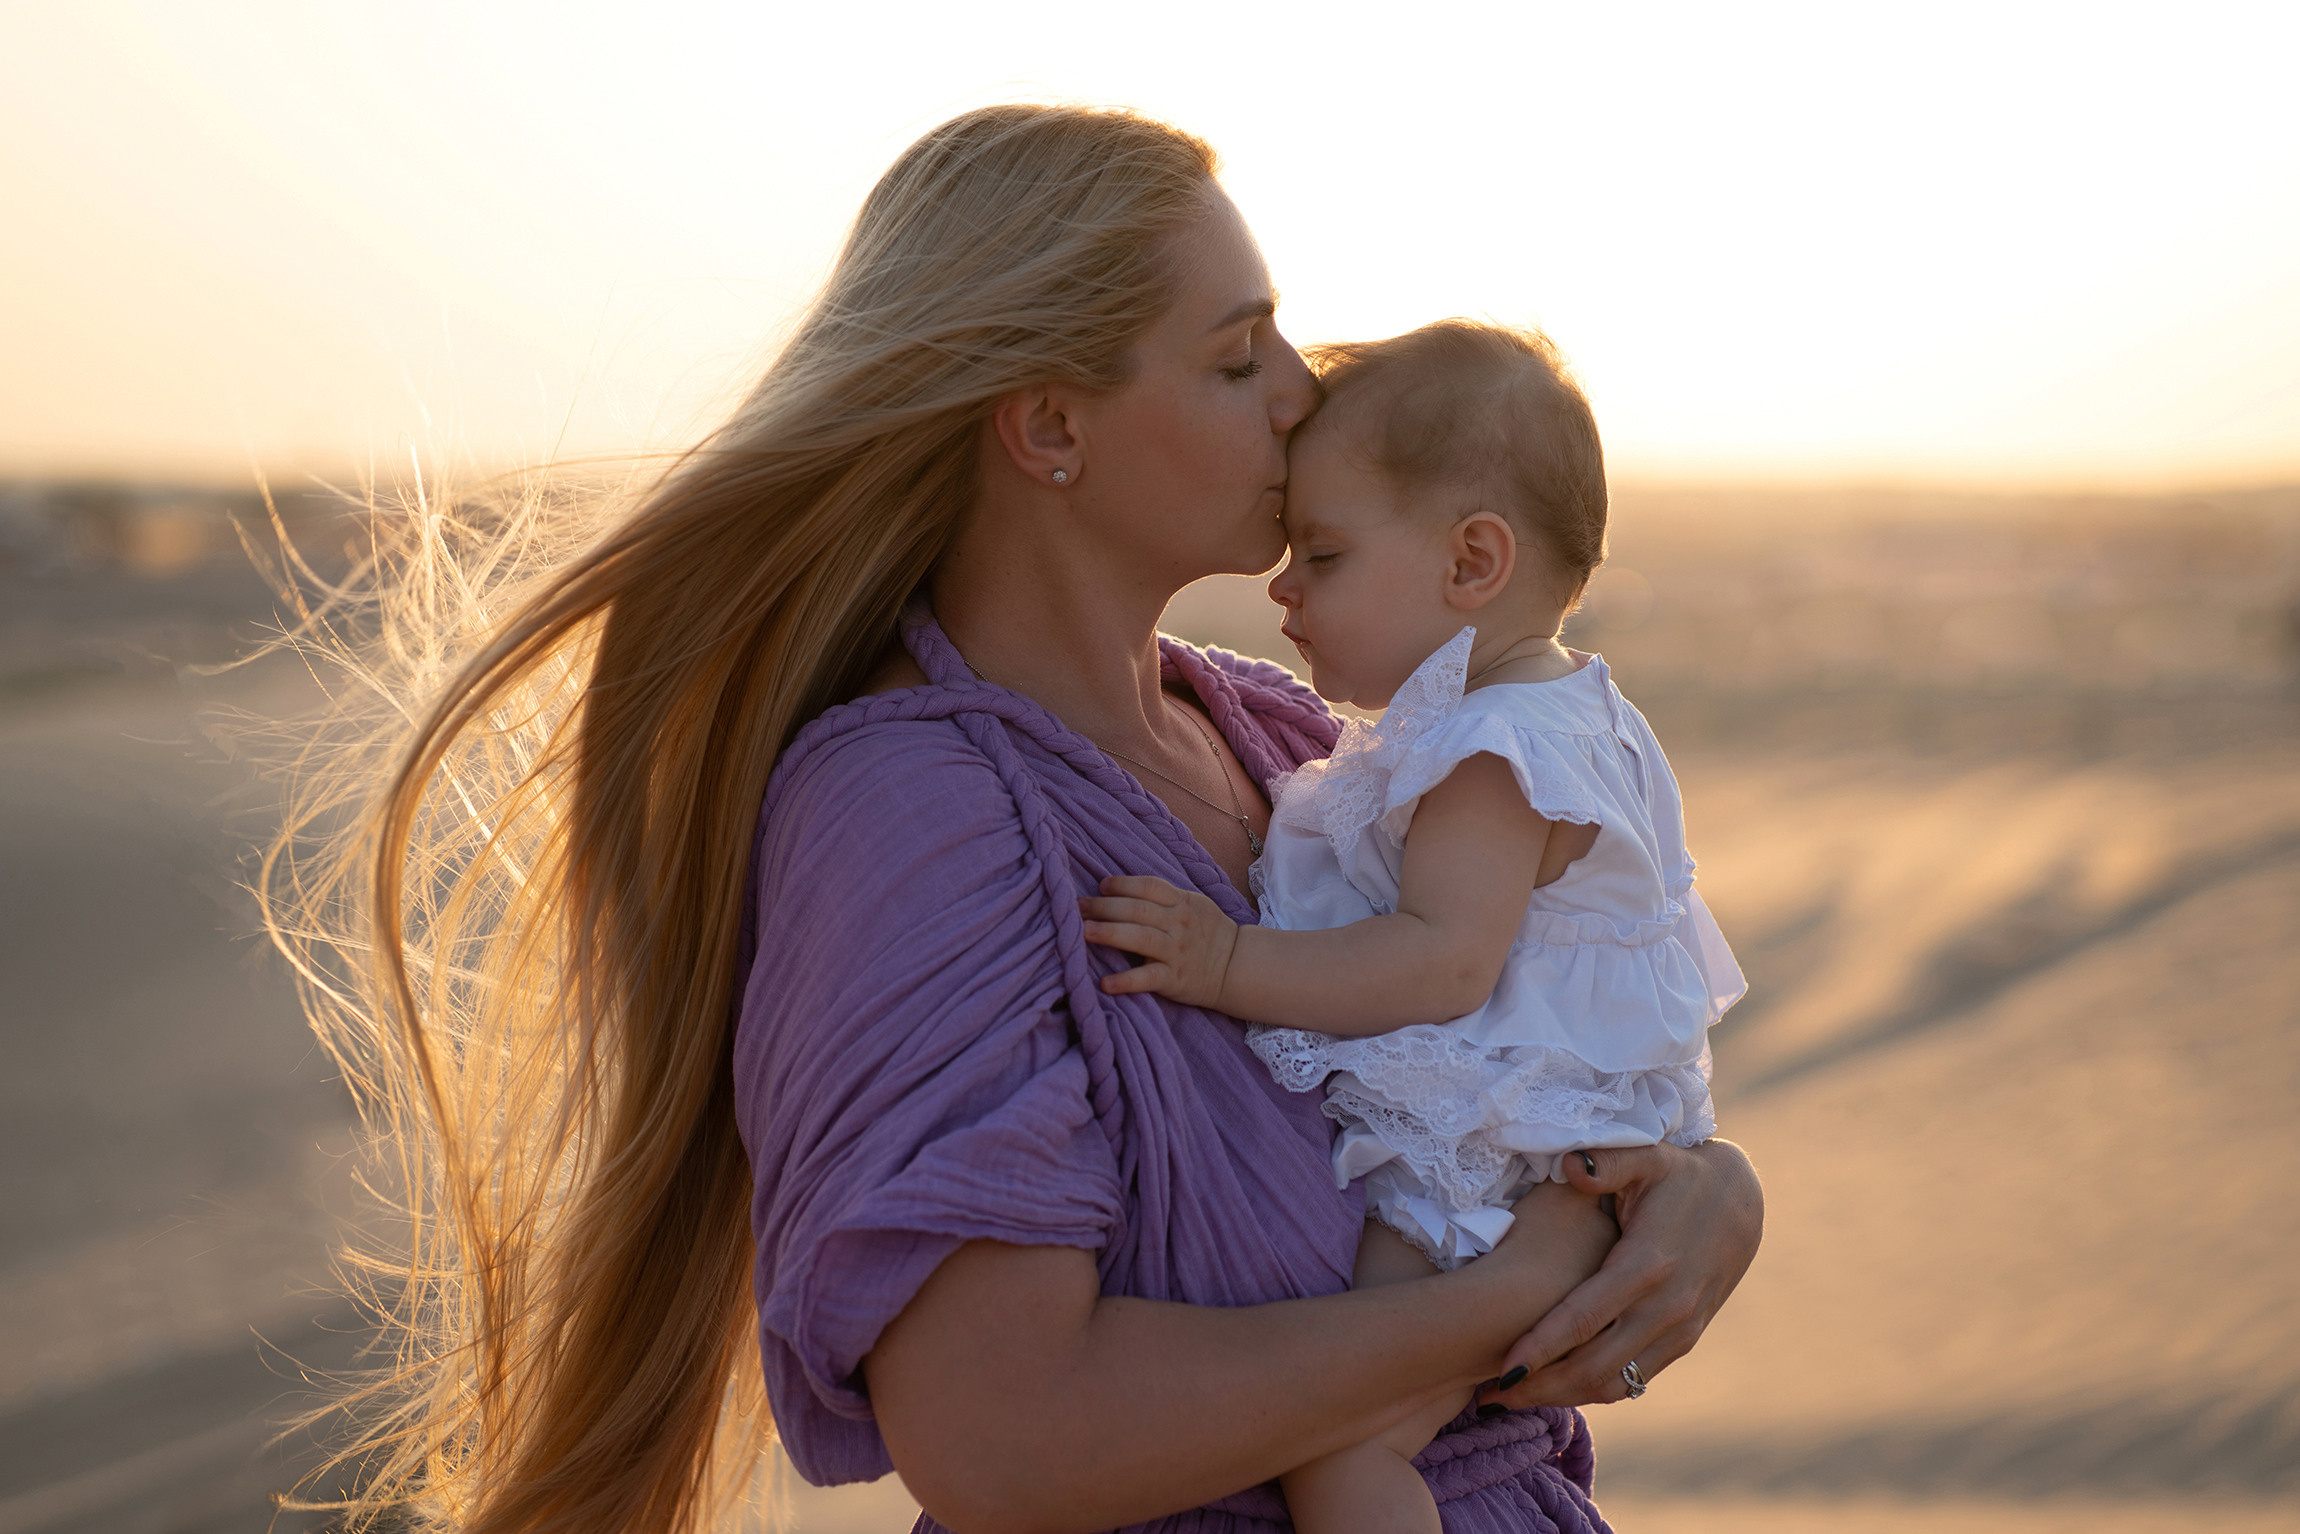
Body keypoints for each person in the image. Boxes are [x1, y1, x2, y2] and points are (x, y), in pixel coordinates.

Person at [276, 104, 1761, 1534]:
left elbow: (1527, 1052)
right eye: (1239, 357)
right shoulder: (916, 815)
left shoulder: (1296, 739)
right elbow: (1006, 1438)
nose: (1304, 391)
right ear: (1051, 427)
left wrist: (1705, 1199)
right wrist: (1518, 1295)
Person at [1076, 321, 1747, 1534]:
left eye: (1323, 555)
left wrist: (1226, 961)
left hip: (1503, 1146)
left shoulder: (1494, 753)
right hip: (1556, 1137)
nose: (1281, 590)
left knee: (1345, 1445)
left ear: (1472, 562)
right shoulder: (1564, 713)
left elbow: (1441, 960)